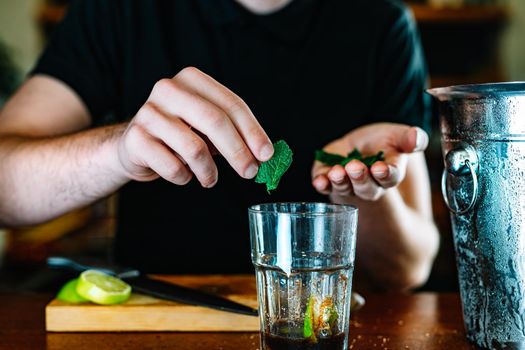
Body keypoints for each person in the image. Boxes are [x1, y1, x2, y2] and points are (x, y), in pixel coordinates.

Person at [0, 0, 439, 291]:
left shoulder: (380, 22)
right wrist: (119, 151)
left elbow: (407, 268)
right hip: (160, 319)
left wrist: (363, 193)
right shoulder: (120, 10)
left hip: (313, 322)